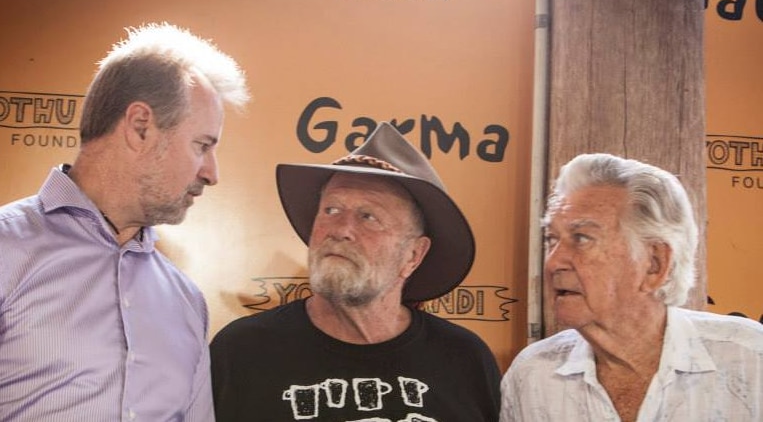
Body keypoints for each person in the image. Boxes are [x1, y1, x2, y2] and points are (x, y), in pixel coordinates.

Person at [0, 23, 249, 421]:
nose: (211, 173)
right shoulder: (6, 250)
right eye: (201, 145)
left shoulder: (187, 301)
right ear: (140, 127)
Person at [211, 122, 501, 421]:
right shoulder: (243, 352)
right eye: (331, 210)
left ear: (413, 255)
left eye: (368, 216)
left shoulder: (464, 359)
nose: (342, 230)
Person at [499, 153, 763, 421]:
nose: (554, 261)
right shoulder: (533, 377)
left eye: (581, 238)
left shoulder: (751, 359)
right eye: (551, 239)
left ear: (654, 264)